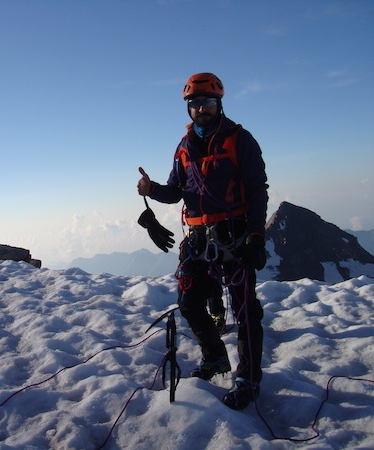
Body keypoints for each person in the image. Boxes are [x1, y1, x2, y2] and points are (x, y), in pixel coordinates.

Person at [137, 73, 268, 410]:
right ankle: (215, 358)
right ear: (188, 108)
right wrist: (151, 190)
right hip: (197, 240)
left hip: (234, 236)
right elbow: (175, 191)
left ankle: (248, 379)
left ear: (218, 104)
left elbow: (257, 190)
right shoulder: (183, 148)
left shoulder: (240, 140)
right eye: (194, 104)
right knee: (188, 301)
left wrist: (256, 236)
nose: (201, 109)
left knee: (245, 311)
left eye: (207, 103)